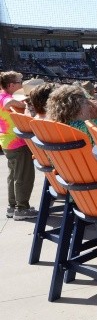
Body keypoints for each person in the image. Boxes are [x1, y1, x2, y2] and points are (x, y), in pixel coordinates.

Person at [0, 71, 37, 220]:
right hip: (18, 143)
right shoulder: (6, 98)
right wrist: (25, 103)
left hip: (8, 142)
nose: (22, 84)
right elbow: (8, 103)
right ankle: (22, 209)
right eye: (19, 82)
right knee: (24, 176)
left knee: (14, 176)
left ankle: (13, 206)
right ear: (11, 85)